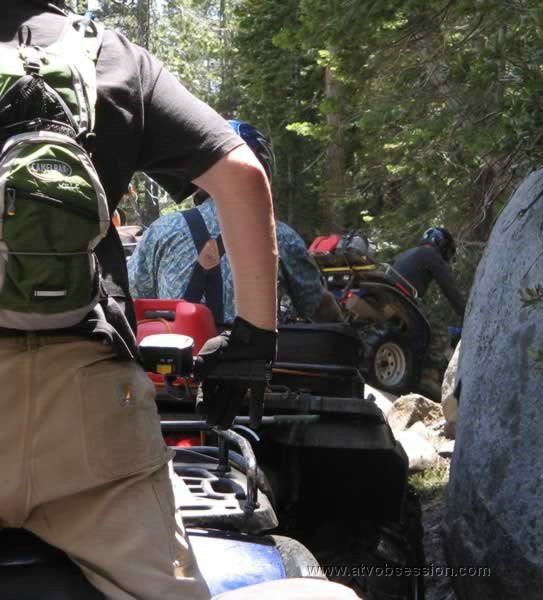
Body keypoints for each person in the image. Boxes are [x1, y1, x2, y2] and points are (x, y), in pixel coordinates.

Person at [0, 3, 355, 600]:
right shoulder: (109, 56)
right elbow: (243, 177)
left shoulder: (162, 234)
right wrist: (252, 344)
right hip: (86, 413)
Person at [128, 119, 342, 325]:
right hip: (250, 360)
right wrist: (345, 331)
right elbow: (316, 305)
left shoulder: (162, 230)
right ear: (262, 174)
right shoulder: (279, 236)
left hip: (175, 356)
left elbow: (133, 295)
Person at [393, 227, 466, 318]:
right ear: (441, 243)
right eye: (447, 250)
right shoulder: (430, 253)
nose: (447, 256)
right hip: (403, 297)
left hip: (390, 291)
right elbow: (448, 286)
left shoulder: (409, 252)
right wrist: (465, 312)